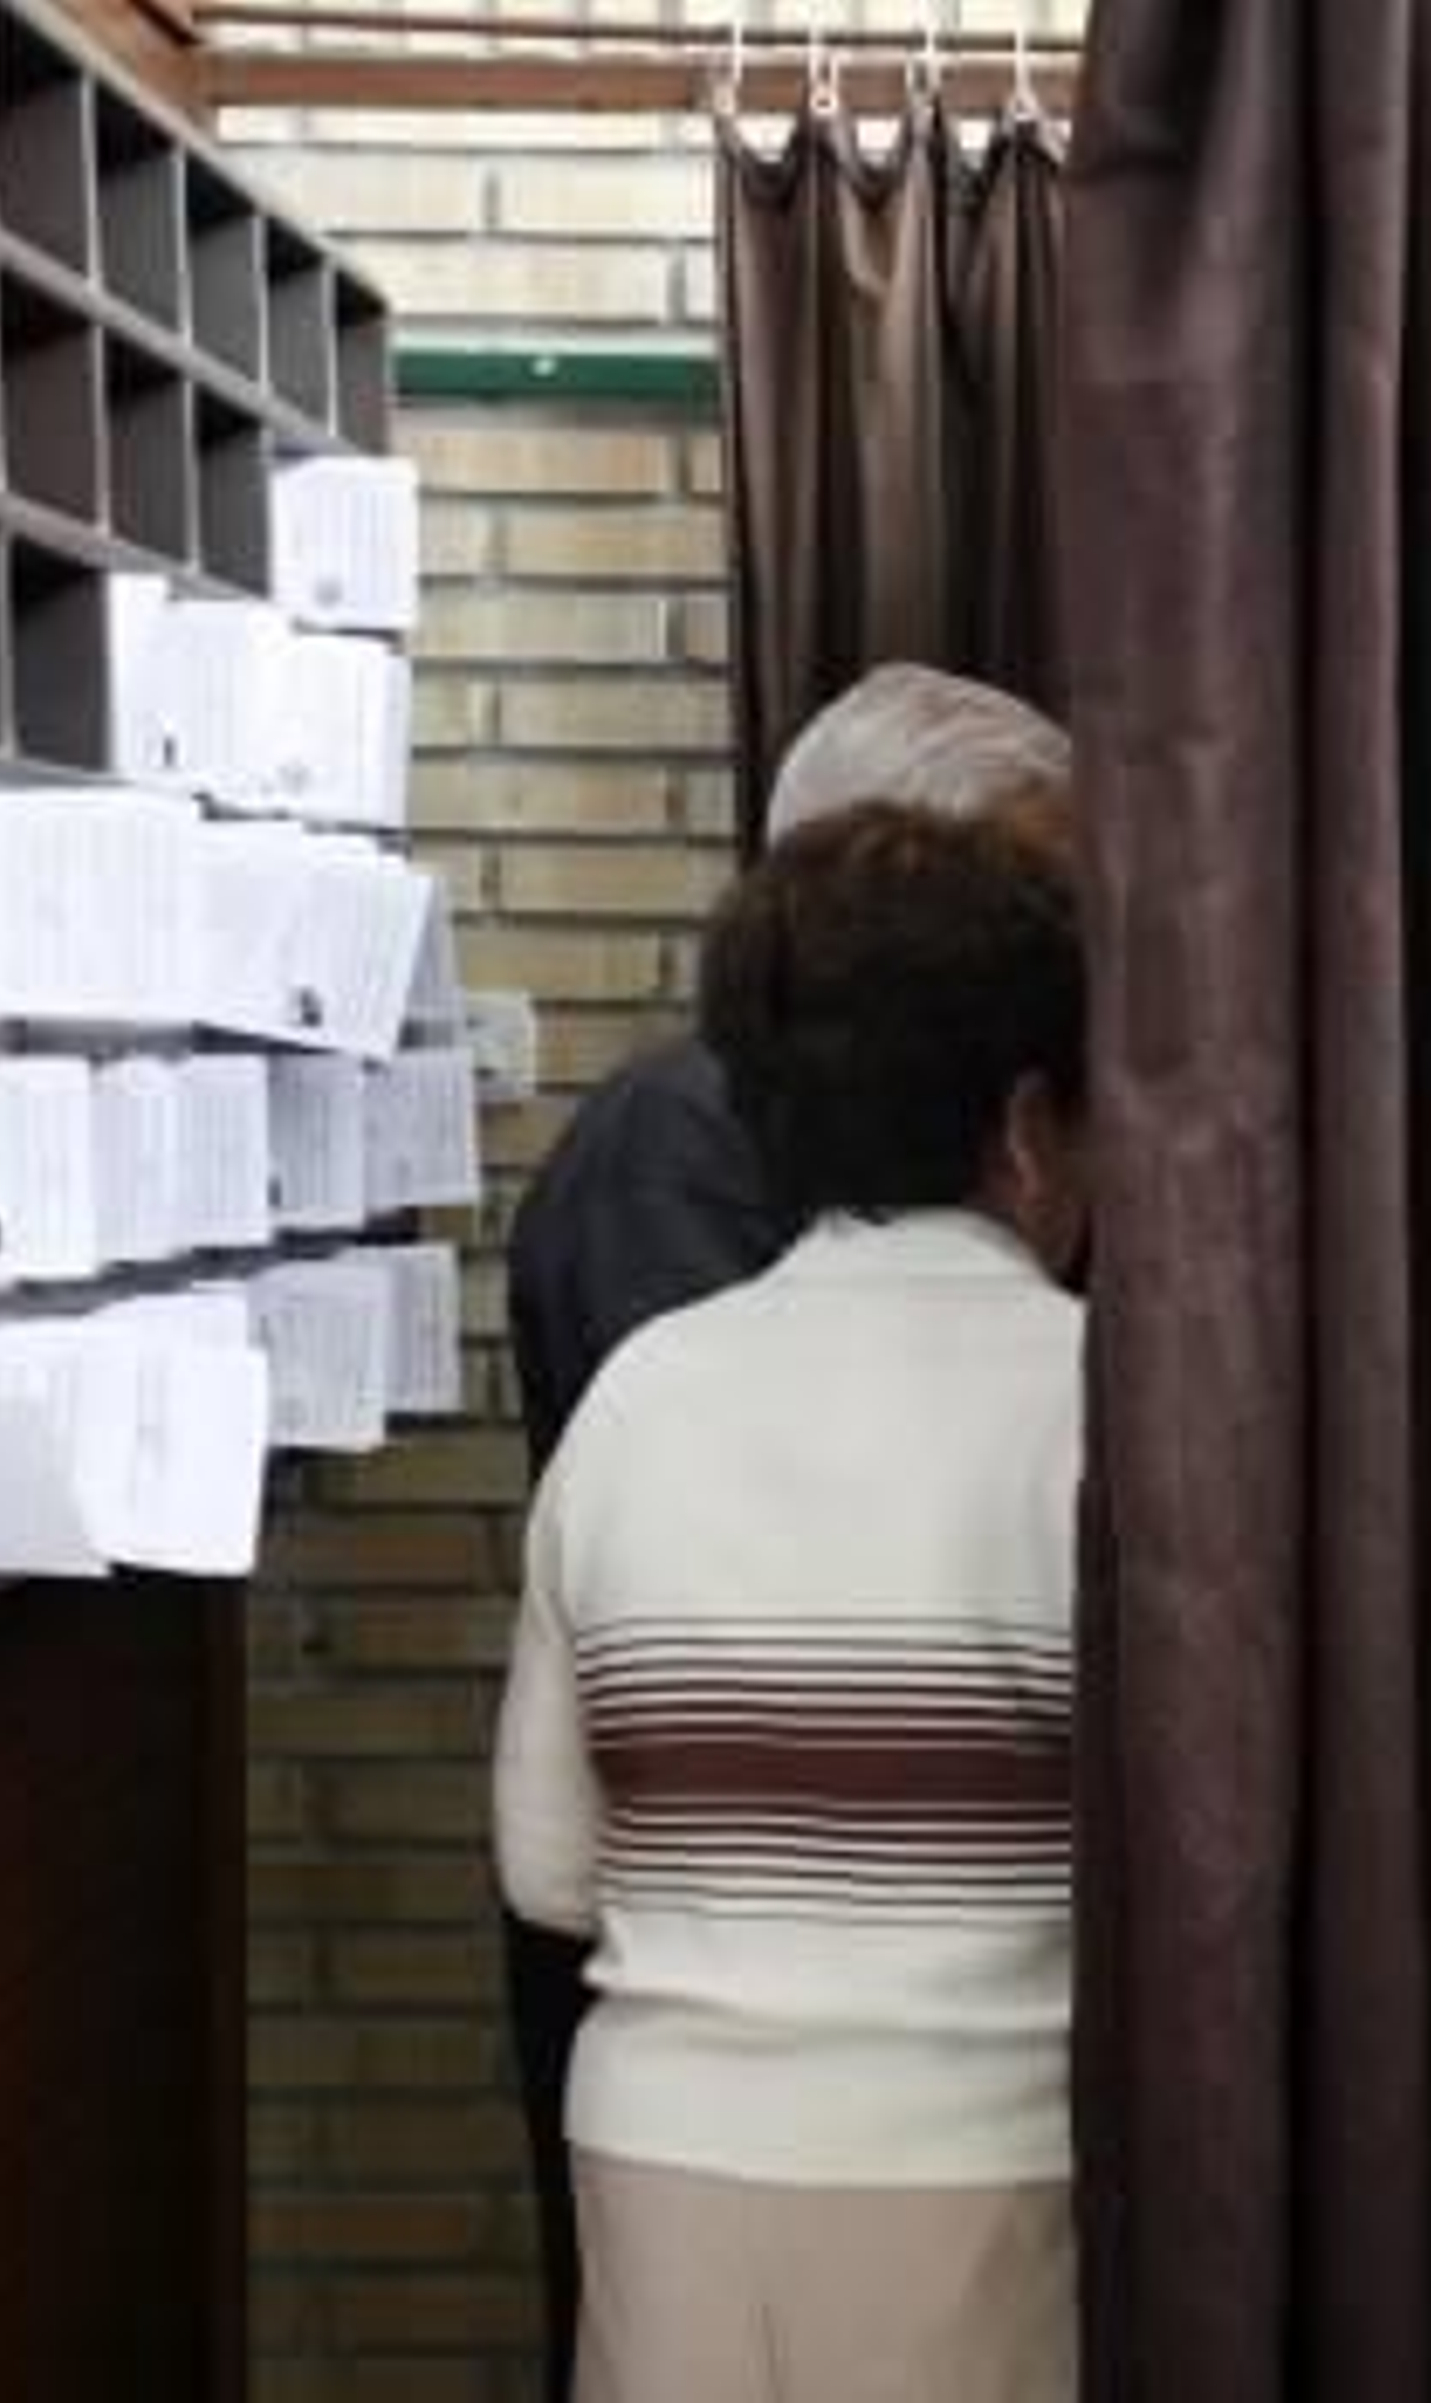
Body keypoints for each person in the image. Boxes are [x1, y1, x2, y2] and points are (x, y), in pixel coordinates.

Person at [502, 665, 1070, 2403]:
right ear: (1033, 1126)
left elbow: (547, 1862)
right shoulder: (1116, 1404)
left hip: (658, 2146)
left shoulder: (648, 1397)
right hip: (980, 2153)